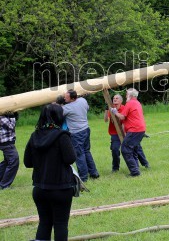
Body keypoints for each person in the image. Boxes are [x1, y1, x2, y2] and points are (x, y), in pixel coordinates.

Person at [24, 104, 77, 241]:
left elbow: (27, 162)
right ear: (59, 117)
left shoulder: (34, 136)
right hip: (61, 188)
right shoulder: (62, 136)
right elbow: (70, 158)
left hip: (40, 189)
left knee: (44, 223)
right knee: (60, 224)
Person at [63, 89, 99, 181]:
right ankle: (94, 173)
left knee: (79, 154)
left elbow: (57, 114)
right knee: (86, 151)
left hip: (76, 133)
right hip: (86, 129)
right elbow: (87, 108)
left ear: (72, 98)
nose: (64, 98)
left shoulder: (67, 108)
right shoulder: (83, 101)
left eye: (66, 97)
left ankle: (83, 177)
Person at [112, 88, 149, 177]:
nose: (125, 96)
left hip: (134, 129)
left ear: (130, 95)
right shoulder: (137, 103)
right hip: (140, 129)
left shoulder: (130, 103)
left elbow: (122, 117)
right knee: (133, 150)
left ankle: (135, 172)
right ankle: (136, 169)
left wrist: (115, 112)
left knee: (125, 149)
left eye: (126, 94)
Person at [104, 94, 125, 172]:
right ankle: (115, 168)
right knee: (115, 149)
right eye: (114, 98)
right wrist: (106, 109)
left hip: (124, 132)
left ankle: (143, 163)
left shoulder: (124, 108)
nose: (115, 99)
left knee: (132, 149)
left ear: (121, 101)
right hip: (114, 133)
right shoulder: (111, 108)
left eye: (117, 98)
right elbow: (106, 120)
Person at [0, 112, 19, 190]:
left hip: (6, 143)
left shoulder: (4, 116)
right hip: (6, 144)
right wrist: (12, 116)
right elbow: (11, 126)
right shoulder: (1, 117)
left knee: (7, 162)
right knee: (14, 162)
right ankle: (4, 185)